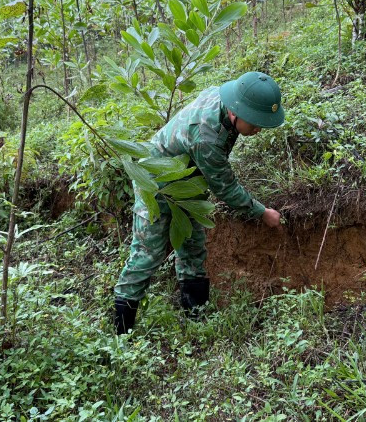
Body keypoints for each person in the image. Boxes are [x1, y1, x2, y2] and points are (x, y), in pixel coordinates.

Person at [114, 71, 285, 335]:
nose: (258, 129)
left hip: (188, 178)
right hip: (155, 180)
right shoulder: (207, 137)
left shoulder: (227, 99)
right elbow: (224, 187)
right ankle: (121, 333)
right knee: (147, 254)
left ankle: (196, 318)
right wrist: (262, 212)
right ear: (234, 113)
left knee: (192, 245)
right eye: (254, 123)